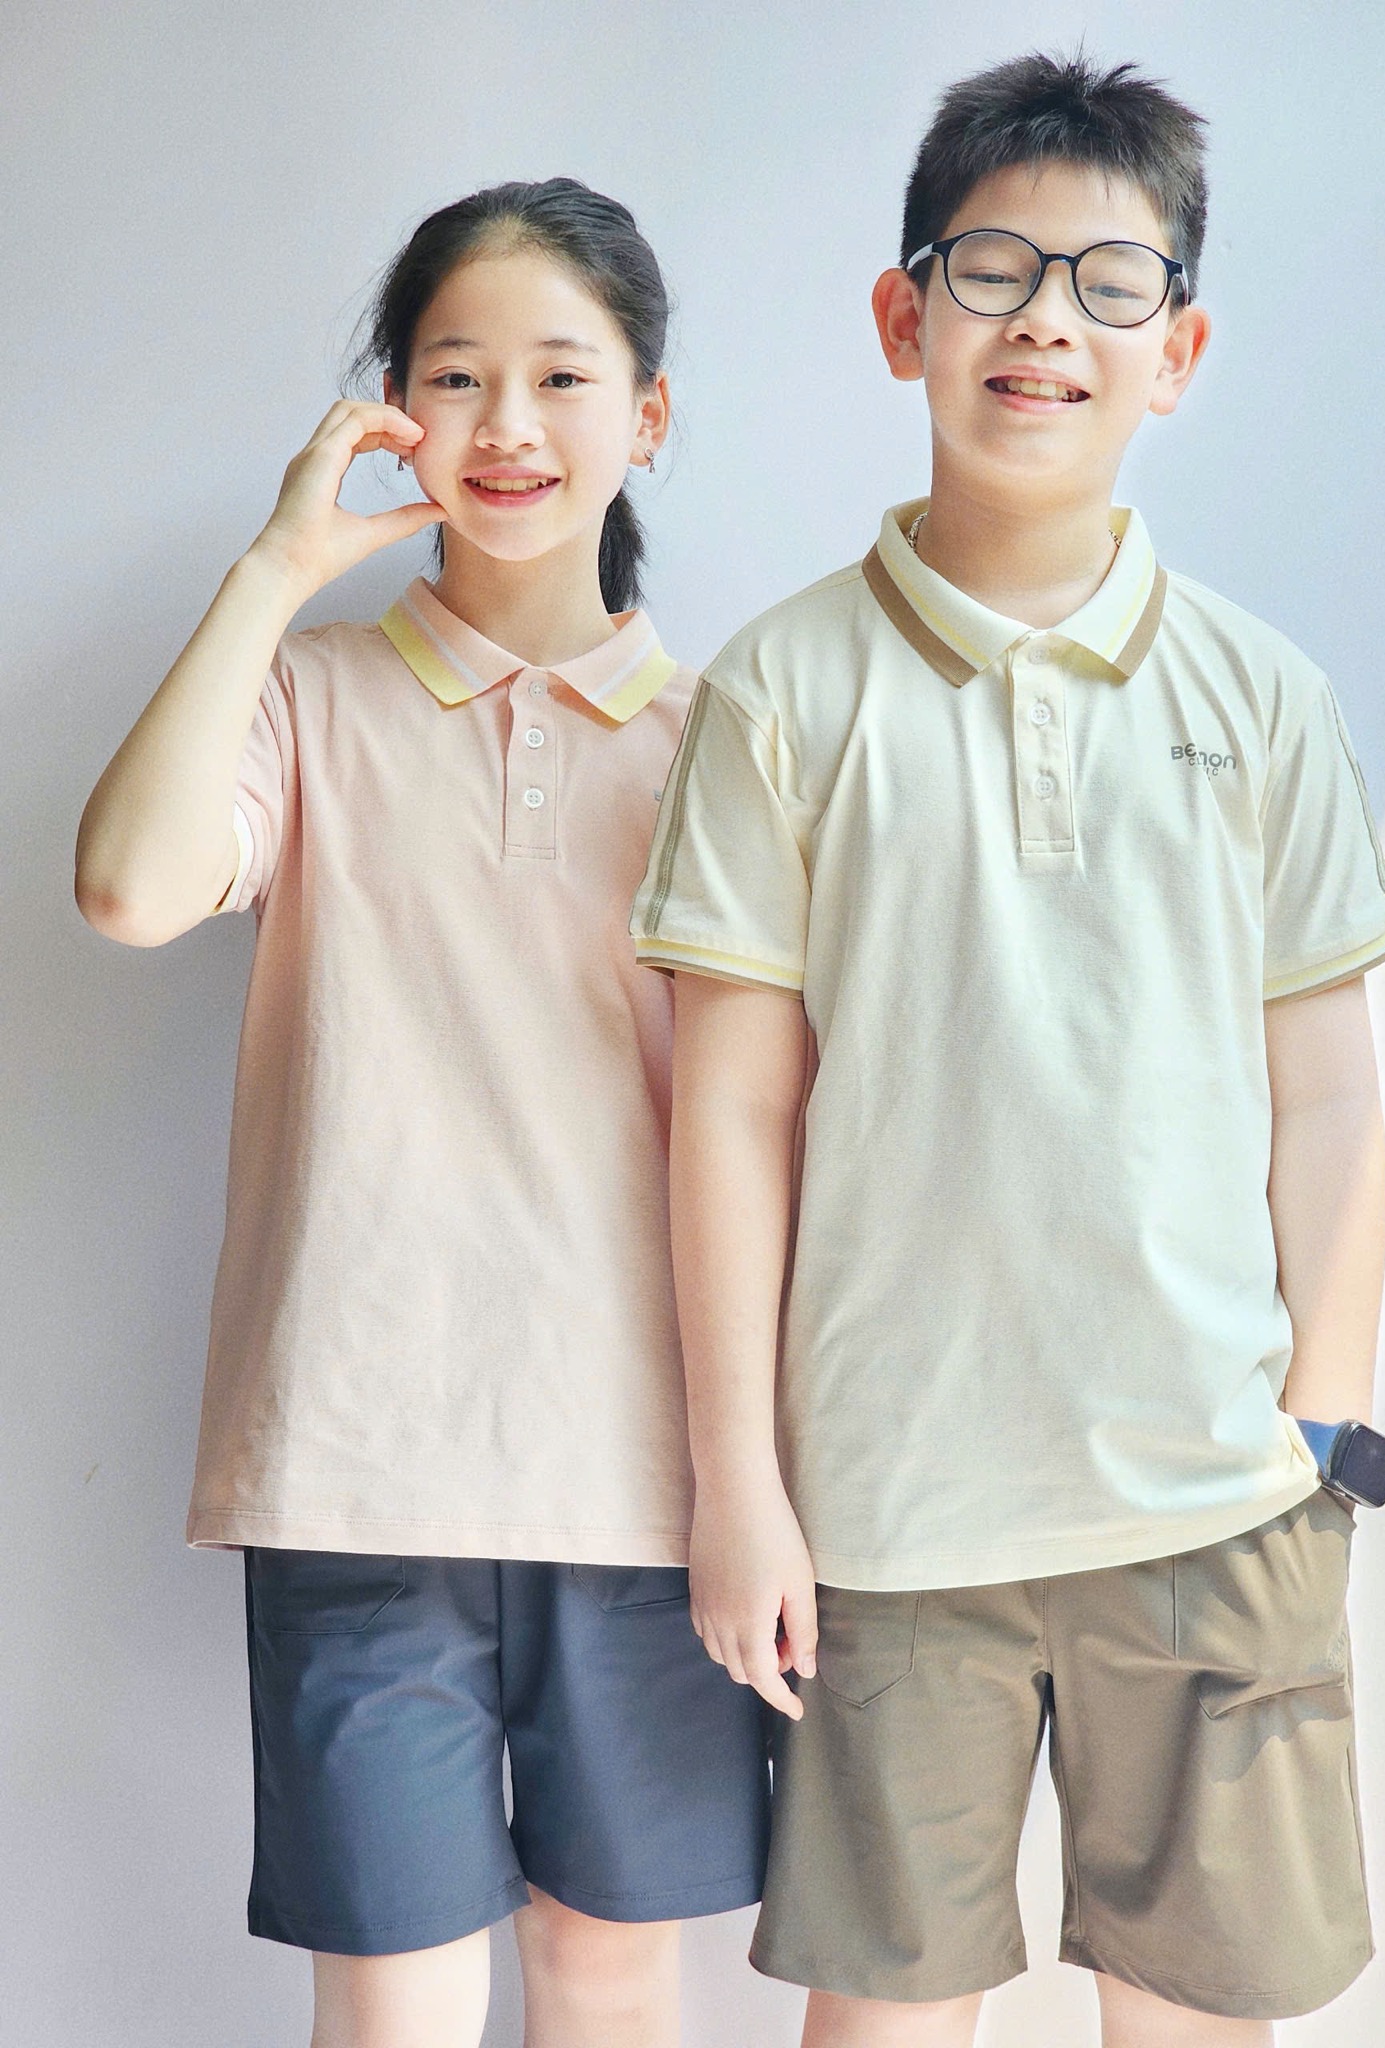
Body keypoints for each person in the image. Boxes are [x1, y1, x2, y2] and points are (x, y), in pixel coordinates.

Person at [634, 52, 1385, 2048]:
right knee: (888, 2019)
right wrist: (741, 1482)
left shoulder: (1262, 695)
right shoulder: (782, 691)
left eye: (1108, 282)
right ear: (904, 319)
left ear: (1180, 351)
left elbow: (1330, 1099)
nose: (1047, 320)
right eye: (993, 269)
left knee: (1197, 2013)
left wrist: (1319, 1446)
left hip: (1214, 1506)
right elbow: (730, 1110)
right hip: (893, 1514)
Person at [75, 177, 768, 2048]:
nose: (509, 425)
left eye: (563, 375)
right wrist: (275, 571)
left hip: (650, 1476)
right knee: (391, 2003)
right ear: (393, 413)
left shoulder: (733, 742)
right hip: (355, 1457)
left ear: (650, 414)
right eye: (456, 376)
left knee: (609, 1975)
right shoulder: (303, 699)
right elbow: (128, 888)